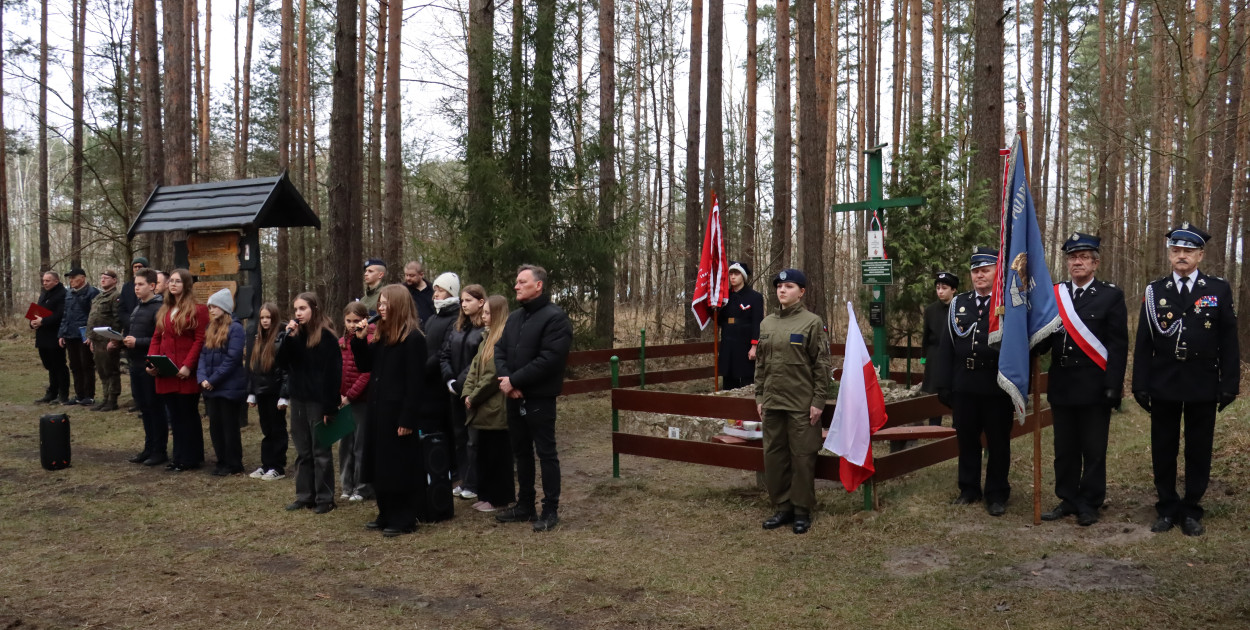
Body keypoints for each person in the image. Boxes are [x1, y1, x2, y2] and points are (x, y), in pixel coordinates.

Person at [1133, 222, 1239, 537]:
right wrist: (1139, 384)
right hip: (1164, 380)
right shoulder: (1155, 291)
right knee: (1163, 447)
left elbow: (1229, 341)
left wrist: (1229, 384)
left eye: (1188, 251)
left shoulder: (1217, 289)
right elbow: (1144, 342)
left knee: (1198, 448)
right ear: (1170, 254)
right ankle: (1167, 507)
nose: (1182, 256)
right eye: (1176, 250)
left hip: (1202, 381)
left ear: (1200, 255)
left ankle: (1191, 508)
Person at [1041, 234, 1128, 527]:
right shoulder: (1056, 294)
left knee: (1093, 448)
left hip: (1094, 384)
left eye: (1083, 257)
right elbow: (1044, 338)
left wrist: (1114, 385)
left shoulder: (1110, 296)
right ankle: (1067, 498)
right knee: (1064, 449)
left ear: (1095, 263)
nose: (1077, 262)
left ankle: (1089, 502)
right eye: (1072, 257)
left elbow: (1118, 345)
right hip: (1062, 382)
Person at [935, 247, 1015, 517]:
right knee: (967, 439)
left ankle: (996, 493)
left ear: (996, 272)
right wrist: (944, 384)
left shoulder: (1008, 303)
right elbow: (947, 346)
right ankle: (968, 489)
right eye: (975, 271)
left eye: (985, 270)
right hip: (965, 384)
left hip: (996, 385)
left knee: (998, 442)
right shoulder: (959, 303)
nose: (979, 275)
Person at [493, 264, 573, 532]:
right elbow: (500, 350)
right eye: (516, 282)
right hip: (513, 396)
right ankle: (525, 505)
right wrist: (508, 382)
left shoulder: (556, 318)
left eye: (522, 282)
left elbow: (550, 359)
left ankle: (550, 510)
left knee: (546, 453)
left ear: (538, 285)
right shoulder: (515, 318)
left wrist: (515, 381)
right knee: (521, 452)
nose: (516, 286)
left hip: (539, 398)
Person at [754, 268, 831, 535]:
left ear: (801, 292)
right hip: (773, 402)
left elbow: (822, 365)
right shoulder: (767, 324)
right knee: (774, 457)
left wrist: (818, 401)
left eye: (788, 286)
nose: (782, 290)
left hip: (801, 403)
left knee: (802, 458)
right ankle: (782, 507)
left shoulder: (812, 322)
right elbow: (761, 364)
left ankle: (801, 510)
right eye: (779, 286)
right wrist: (760, 396)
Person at [349, 285, 428, 537]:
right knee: (380, 464)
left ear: (399, 305)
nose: (380, 308)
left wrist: (408, 418)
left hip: (398, 413)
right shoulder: (383, 336)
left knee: (398, 465)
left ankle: (404, 517)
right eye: (380, 303)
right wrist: (359, 340)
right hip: (378, 409)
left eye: (385, 303)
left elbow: (416, 384)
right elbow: (365, 365)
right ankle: (385, 512)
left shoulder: (413, 339)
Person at [276, 292, 343, 514]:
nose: (298, 313)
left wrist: (330, 407)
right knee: (303, 450)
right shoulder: (295, 335)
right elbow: (281, 363)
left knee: (320, 450)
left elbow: (333, 375)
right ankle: (305, 495)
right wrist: (288, 338)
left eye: (303, 308)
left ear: (314, 309)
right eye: (296, 309)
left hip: (318, 401)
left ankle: (325, 498)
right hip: (299, 399)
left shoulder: (327, 337)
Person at [147, 269, 209, 472]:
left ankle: (191, 457)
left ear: (187, 285)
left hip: (184, 371)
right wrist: (152, 362)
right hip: (166, 370)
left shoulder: (198, 309)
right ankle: (178, 457)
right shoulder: (164, 309)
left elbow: (200, 340)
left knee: (187, 414)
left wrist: (188, 365)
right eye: (171, 281)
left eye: (178, 281)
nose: (173, 284)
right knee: (174, 415)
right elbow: (157, 337)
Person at [462, 294, 515, 512]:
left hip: (495, 408)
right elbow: (474, 369)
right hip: (481, 407)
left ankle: (498, 498)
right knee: (484, 454)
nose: (483, 317)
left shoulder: (502, 339)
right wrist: (467, 393)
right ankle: (485, 495)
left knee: (497, 455)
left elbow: (492, 376)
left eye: (487, 313)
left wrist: (474, 397)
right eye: (483, 313)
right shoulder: (486, 339)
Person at [442, 284, 487, 500]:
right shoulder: (457, 327)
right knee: (459, 436)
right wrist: (449, 379)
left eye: (469, 300)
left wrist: (460, 383)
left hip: (472, 391)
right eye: (462, 300)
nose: (464, 304)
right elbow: (445, 354)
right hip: (454, 390)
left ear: (481, 302)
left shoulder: (483, 330)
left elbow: (478, 361)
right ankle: (462, 478)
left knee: (473, 439)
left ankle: (474, 482)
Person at [198, 289, 249, 476]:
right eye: (210, 306)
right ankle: (221, 461)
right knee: (215, 427)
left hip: (229, 387)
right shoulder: (210, 328)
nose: (211, 310)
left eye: (214, 306)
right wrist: (202, 378)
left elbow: (232, 359)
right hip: (211, 387)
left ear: (224, 307)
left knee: (229, 427)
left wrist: (213, 380)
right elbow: (203, 355)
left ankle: (233, 463)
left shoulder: (235, 328)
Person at [121, 269, 166, 465]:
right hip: (135, 364)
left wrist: (137, 342)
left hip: (151, 366)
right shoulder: (138, 307)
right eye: (135, 284)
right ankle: (148, 448)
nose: (136, 288)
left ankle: (159, 450)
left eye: (140, 284)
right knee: (144, 408)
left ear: (152, 286)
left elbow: (161, 339)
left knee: (155, 408)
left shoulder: (159, 308)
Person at [246, 302, 290, 481]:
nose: (265, 321)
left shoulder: (281, 338)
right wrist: (252, 392)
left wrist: (284, 395)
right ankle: (266, 464)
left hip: (275, 391)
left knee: (277, 429)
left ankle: (278, 467)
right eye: (262, 318)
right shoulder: (258, 339)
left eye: (268, 317)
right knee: (266, 430)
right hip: (261, 391)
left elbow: (286, 369)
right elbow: (254, 368)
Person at [338, 302, 373, 502]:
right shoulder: (341, 342)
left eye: (356, 321)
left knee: (360, 445)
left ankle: (362, 486)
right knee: (345, 445)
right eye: (349, 321)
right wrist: (339, 395)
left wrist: (351, 395)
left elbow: (366, 373)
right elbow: (337, 370)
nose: (352, 325)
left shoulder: (369, 340)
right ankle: (346, 485)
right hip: (344, 402)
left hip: (361, 401)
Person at [717, 261, 765, 390]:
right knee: (728, 378)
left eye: (737, 274)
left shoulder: (755, 297)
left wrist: (754, 346)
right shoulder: (724, 297)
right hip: (728, 341)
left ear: (743, 276)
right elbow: (719, 321)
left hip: (745, 343)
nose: (733, 277)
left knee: (746, 379)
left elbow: (757, 322)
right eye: (731, 273)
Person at [919, 272, 959, 426]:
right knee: (934, 392)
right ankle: (934, 425)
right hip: (935, 356)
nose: (940, 291)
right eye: (938, 288)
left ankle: (957, 426)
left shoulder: (960, 308)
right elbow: (926, 336)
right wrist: (924, 356)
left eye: (944, 288)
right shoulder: (931, 310)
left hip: (955, 355)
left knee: (956, 391)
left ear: (953, 289)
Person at [424, 273, 460, 434]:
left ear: (451, 292)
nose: (435, 295)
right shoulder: (432, 318)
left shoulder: (456, 318)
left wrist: (423, 369)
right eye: (435, 290)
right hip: (428, 385)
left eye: (440, 290)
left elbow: (444, 350)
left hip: (442, 383)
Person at [58, 267, 99, 407]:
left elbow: (95, 316)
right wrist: (62, 334)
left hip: (84, 335)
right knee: (74, 365)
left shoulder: (92, 292)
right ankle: (79, 395)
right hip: (70, 334)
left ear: (82, 278)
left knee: (86, 365)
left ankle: (89, 396)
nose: (71, 280)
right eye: (70, 278)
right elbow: (65, 315)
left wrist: (91, 335)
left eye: (74, 277)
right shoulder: (69, 293)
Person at [86, 269, 123, 412]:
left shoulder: (116, 296)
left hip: (108, 339)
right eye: (102, 277)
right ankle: (105, 398)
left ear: (114, 280)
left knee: (111, 370)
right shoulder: (98, 297)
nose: (103, 280)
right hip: (97, 340)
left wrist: (114, 339)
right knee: (101, 370)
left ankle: (112, 400)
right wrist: (90, 337)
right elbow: (92, 318)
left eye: (106, 278)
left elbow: (117, 319)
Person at [31, 271, 70, 404]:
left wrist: (43, 321)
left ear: (56, 281)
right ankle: (52, 392)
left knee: (59, 365)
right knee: (49, 365)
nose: (45, 283)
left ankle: (63, 394)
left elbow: (60, 315)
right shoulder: (44, 294)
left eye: (48, 281)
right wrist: (32, 322)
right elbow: (36, 311)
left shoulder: (63, 294)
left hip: (55, 335)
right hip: (42, 335)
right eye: (44, 281)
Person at [118, 257, 147, 336]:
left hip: (144, 329)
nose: (137, 269)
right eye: (135, 267)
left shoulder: (150, 285)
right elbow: (121, 309)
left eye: (140, 266)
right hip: (129, 329)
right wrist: (130, 322)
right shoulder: (126, 286)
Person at [403, 260, 435, 324]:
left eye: (412, 276)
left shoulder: (433, 290)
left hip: (430, 327)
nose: (408, 278)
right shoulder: (403, 290)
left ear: (421, 275)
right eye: (406, 275)